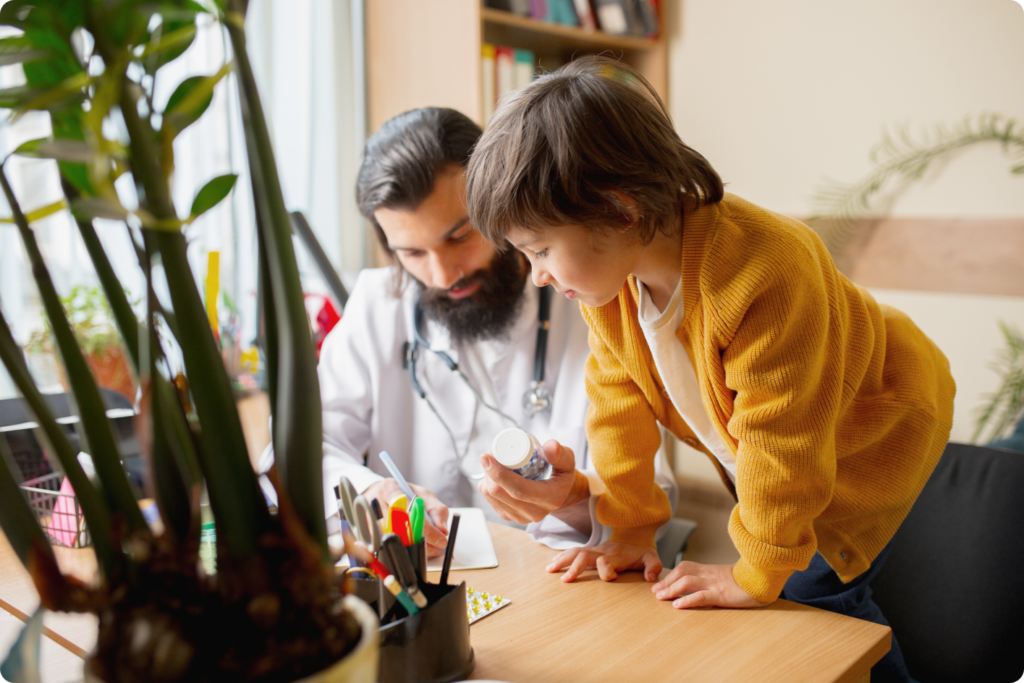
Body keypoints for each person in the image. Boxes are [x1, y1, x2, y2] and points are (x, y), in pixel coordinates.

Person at [465, 57, 954, 682]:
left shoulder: (768, 270)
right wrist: (629, 529)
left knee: (816, 606)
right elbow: (616, 408)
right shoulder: (609, 285)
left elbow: (785, 445)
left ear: (618, 211)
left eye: (540, 250)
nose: (537, 275)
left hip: (878, 430)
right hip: (796, 445)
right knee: (789, 585)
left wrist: (755, 574)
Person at [258, 107, 677, 558]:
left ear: (501, 206)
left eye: (459, 236)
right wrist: (371, 494)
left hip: (554, 577)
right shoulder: (378, 304)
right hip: (423, 581)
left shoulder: (593, 297)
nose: (443, 275)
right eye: (412, 253)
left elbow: (653, 492)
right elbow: (293, 452)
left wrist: (573, 497)